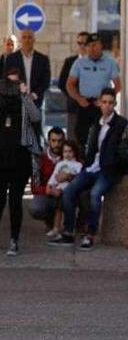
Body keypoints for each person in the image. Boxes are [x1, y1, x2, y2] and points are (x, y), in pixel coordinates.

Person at [52, 88, 126, 251]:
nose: (107, 106)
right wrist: (86, 164)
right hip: (91, 167)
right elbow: (90, 147)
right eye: (104, 102)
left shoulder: (120, 124)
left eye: (110, 103)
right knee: (69, 191)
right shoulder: (96, 122)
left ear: (114, 104)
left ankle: (89, 235)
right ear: (99, 103)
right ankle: (68, 232)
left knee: (94, 195)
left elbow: (123, 150)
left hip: (107, 170)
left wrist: (116, 166)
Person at [0, 68, 41, 256]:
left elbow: (36, 117)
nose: (12, 88)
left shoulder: (24, 101)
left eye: (16, 83)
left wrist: (24, 95)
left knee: (15, 201)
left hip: (19, 157)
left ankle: (14, 240)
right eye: (9, 84)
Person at [66, 33, 121, 151]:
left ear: (101, 45)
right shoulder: (80, 63)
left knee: (102, 135)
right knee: (80, 135)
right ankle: (83, 161)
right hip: (85, 103)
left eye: (95, 45)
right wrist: (79, 99)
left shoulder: (110, 62)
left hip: (102, 105)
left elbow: (118, 85)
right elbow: (69, 85)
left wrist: (106, 101)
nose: (92, 48)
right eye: (89, 45)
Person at [4, 29, 50, 108]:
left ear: (34, 40)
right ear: (20, 40)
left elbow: (45, 81)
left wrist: (34, 95)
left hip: (36, 103)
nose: (27, 40)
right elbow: (7, 80)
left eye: (29, 37)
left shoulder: (43, 59)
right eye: (24, 37)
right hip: (16, 103)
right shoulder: (11, 59)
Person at [31, 127, 64, 236]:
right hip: (47, 193)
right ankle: (50, 221)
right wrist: (48, 190)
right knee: (36, 209)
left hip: (65, 193)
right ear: (49, 141)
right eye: (54, 141)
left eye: (60, 141)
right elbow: (34, 186)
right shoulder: (41, 159)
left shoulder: (70, 156)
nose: (57, 144)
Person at [47, 140, 83, 235]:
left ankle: (68, 227)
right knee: (58, 210)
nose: (67, 154)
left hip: (70, 191)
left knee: (68, 209)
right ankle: (56, 227)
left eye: (70, 151)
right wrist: (51, 188)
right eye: (65, 151)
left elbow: (80, 179)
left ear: (75, 152)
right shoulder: (59, 164)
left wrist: (68, 176)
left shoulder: (78, 165)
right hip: (59, 190)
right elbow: (54, 177)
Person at [58, 32, 90, 141]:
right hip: (74, 108)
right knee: (73, 140)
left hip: (92, 108)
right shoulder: (70, 62)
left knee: (90, 140)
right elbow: (62, 83)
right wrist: (74, 96)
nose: (82, 46)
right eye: (79, 43)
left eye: (85, 43)